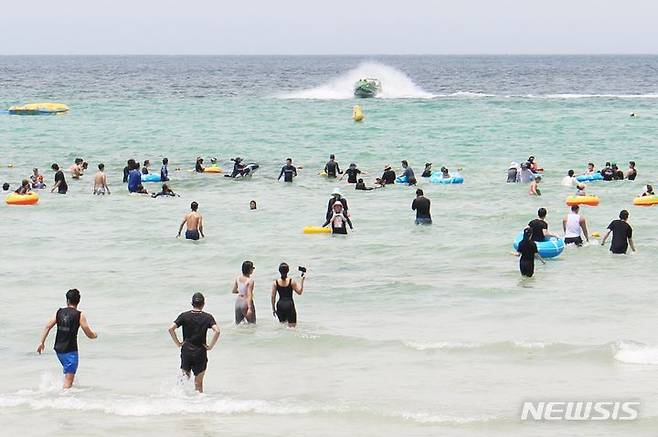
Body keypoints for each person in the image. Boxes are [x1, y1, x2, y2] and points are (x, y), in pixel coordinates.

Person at [36, 289, 97, 389]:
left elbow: (47, 326)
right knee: (68, 382)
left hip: (58, 350)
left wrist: (41, 342)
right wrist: (95, 335)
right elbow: (88, 333)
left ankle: (62, 395)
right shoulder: (79, 315)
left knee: (68, 376)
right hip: (70, 352)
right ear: (78, 301)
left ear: (67, 300)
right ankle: (63, 400)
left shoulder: (59, 312)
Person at [168, 292, 220, 393]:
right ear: (203, 304)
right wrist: (210, 346)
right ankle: (199, 405)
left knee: (183, 381)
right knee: (198, 384)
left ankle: (179, 402)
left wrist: (178, 343)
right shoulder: (208, 317)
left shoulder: (184, 316)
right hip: (200, 352)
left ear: (192, 303)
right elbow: (217, 331)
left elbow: (171, 329)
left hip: (186, 351)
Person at [271, 263, 305, 327]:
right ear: (288, 271)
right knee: (292, 328)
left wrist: (273, 308)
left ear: (279, 271)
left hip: (280, 305)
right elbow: (299, 292)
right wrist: (302, 280)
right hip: (289, 305)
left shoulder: (275, 283)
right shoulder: (291, 281)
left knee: (282, 327)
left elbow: (273, 297)